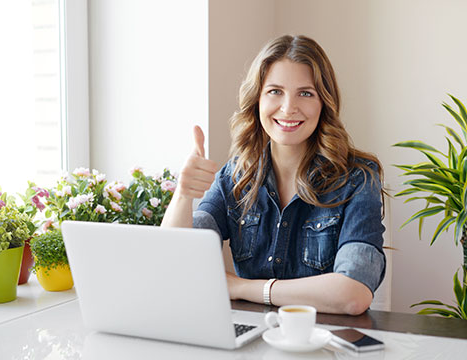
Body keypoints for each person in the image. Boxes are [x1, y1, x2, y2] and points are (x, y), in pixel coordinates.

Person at [162, 35, 385, 315]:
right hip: (254, 339)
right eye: (275, 91)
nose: (288, 107)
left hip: (326, 344)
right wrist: (183, 195)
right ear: (257, 99)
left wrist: (243, 287)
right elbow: (175, 265)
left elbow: (353, 294)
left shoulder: (357, 178)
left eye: (306, 93)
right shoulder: (235, 177)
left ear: (323, 104)